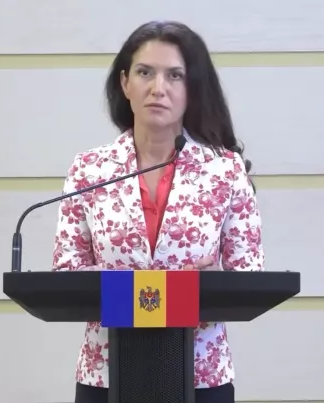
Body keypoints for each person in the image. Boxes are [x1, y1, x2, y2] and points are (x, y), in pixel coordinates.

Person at [51, 20, 264, 403]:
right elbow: (66, 272)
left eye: (175, 75)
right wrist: (160, 292)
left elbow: (249, 275)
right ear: (125, 83)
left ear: (192, 89)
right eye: (145, 72)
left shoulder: (225, 170)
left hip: (201, 373)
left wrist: (214, 283)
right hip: (107, 373)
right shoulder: (89, 170)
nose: (158, 88)